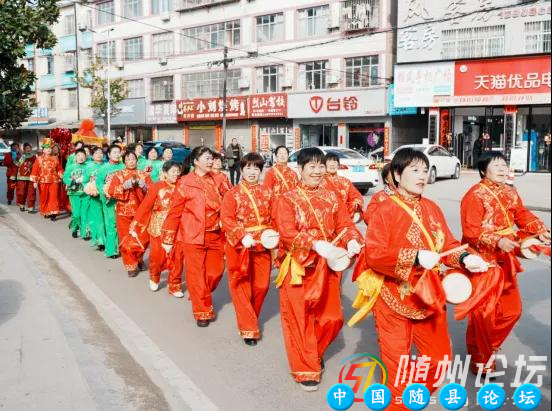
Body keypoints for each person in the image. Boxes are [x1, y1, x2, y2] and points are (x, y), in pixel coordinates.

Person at [361, 148, 488, 409]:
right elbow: (374, 255)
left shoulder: (432, 207)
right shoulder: (384, 210)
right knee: (397, 366)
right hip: (393, 296)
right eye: (414, 170)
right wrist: (415, 257)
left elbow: (450, 245)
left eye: (424, 170)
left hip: (429, 297)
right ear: (396, 175)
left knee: (439, 359)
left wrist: (465, 259)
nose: (421, 176)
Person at [273, 147, 363, 391]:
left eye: (320, 166)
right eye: (311, 166)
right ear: (300, 169)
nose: (317, 171)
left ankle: (313, 352)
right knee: (299, 319)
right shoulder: (287, 198)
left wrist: (353, 239)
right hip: (299, 266)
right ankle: (306, 369)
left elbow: (344, 224)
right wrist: (312, 243)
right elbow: (286, 232)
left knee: (332, 319)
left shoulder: (332, 196)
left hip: (328, 265)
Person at [460, 152, 550, 375]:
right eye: (496, 164)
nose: (502, 168)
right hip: (482, 260)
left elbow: (522, 215)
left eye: (504, 164)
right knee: (484, 314)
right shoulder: (474, 195)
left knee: (512, 310)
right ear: (483, 170)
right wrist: (497, 240)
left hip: (505, 257)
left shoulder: (510, 192)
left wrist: (540, 230)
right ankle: (481, 362)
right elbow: (470, 231)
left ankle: (485, 345)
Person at [161, 147, 226, 321]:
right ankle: (202, 311)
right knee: (196, 274)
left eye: (212, 158)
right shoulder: (184, 182)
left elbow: (229, 203)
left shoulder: (219, 180)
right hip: (192, 235)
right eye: (207, 158)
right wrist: (168, 237)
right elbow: (175, 211)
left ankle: (199, 293)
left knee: (215, 273)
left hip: (215, 234)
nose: (211, 161)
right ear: (196, 161)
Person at [221, 153, 273, 346]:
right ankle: (249, 328)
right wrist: (242, 235)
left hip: (263, 246)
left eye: (256, 168)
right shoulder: (232, 194)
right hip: (239, 246)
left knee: (261, 286)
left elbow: (276, 217)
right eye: (248, 168)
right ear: (241, 169)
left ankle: (250, 318)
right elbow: (227, 218)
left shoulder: (268, 192)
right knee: (241, 287)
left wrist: (273, 236)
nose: (252, 172)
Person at [124, 161, 182, 291]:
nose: (176, 174)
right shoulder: (157, 186)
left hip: (177, 228)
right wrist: (135, 224)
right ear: (165, 173)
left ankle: (174, 285)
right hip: (158, 227)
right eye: (173, 171)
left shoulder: (182, 186)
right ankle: (154, 276)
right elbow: (145, 206)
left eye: (178, 171)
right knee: (156, 256)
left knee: (177, 257)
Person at [106, 151, 152, 277]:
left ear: (137, 161)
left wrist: (144, 188)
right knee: (126, 239)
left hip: (141, 212)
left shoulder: (144, 175)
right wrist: (123, 187)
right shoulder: (118, 175)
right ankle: (130, 265)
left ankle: (139, 258)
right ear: (124, 161)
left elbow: (152, 192)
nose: (131, 161)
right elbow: (111, 191)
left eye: (133, 159)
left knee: (143, 237)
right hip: (123, 212)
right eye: (128, 159)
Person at [96, 145, 125, 258]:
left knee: (122, 225)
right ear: (108, 154)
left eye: (119, 152)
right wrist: (105, 192)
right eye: (114, 152)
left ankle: (122, 247)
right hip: (109, 200)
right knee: (111, 224)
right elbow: (99, 183)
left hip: (123, 200)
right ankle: (112, 250)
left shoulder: (124, 166)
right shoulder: (104, 168)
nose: (117, 154)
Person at [321, 152, 364, 219]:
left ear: (338, 165)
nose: (332, 164)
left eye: (335, 162)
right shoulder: (318, 180)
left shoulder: (345, 182)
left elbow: (356, 196)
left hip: (343, 217)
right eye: (329, 161)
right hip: (324, 217)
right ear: (324, 164)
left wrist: (351, 207)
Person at [30, 138, 63, 220]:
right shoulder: (39, 159)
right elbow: (35, 170)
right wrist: (35, 181)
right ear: (43, 150)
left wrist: (62, 176)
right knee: (44, 197)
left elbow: (59, 169)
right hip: (42, 181)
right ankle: (45, 211)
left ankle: (53, 213)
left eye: (50, 148)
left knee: (53, 197)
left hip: (54, 181)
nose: (48, 150)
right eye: (46, 148)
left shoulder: (56, 158)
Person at [82, 146, 106, 250]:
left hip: (106, 196)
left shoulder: (107, 166)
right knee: (98, 219)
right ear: (92, 155)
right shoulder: (89, 167)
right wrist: (89, 190)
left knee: (106, 219)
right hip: (95, 196)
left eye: (101, 153)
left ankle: (107, 240)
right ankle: (100, 240)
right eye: (96, 153)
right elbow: (84, 181)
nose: (99, 155)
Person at [63, 149, 88, 238]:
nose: (81, 157)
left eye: (83, 155)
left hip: (85, 193)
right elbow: (65, 177)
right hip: (74, 193)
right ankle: (74, 227)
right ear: (75, 157)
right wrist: (71, 182)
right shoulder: (71, 167)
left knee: (84, 213)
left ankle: (83, 232)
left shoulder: (88, 166)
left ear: (86, 157)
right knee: (76, 213)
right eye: (79, 155)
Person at [15, 143, 37, 213]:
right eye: (27, 148)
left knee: (31, 193)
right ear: (24, 149)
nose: (28, 149)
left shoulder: (34, 157)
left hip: (31, 178)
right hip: (22, 178)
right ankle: (22, 205)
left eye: (29, 148)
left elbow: (37, 166)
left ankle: (31, 207)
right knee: (21, 193)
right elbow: (18, 165)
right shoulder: (22, 156)